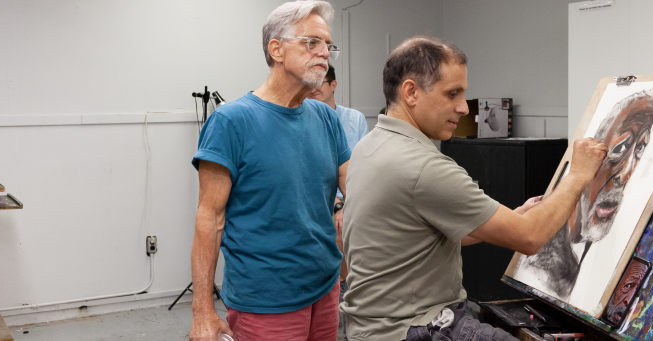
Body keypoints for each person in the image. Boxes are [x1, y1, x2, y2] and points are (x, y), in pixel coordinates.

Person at [340, 36, 609, 341]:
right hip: (413, 328)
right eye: (452, 94)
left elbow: (427, 230)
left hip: (370, 326)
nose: (463, 108)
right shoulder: (423, 167)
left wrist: (511, 217)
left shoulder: (369, 146)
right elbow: (530, 237)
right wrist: (578, 174)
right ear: (411, 92)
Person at [189, 1, 349, 340]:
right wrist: (202, 309)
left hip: (325, 286)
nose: (324, 53)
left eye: (328, 45)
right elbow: (210, 219)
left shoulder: (326, 118)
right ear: (276, 49)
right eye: (312, 42)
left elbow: (357, 189)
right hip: (265, 301)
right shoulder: (231, 122)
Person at [519, 90, 653, 298]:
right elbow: (522, 236)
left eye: (639, 150)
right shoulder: (540, 269)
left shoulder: (602, 252)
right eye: (620, 148)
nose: (626, 173)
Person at [308, 63, 367, 340]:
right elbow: (314, 176)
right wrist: (338, 205)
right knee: (337, 228)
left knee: (353, 223)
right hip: (326, 202)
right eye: (312, 84)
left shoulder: (354, 120)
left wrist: (347, 203)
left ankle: (354, 300)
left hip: (350, 197)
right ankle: (340, 296)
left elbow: (359, 171)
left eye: (322, 82)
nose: (315, 88)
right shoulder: (307, 119)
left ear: (333, 85)